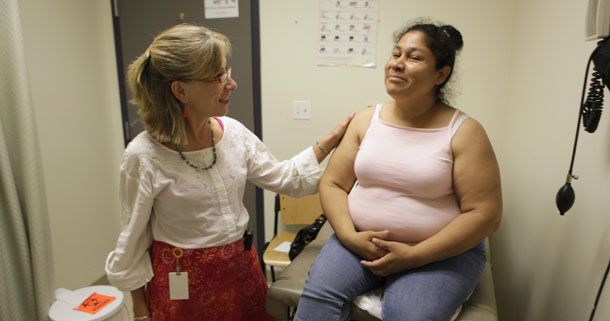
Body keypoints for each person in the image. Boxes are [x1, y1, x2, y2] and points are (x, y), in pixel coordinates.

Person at [104, 23, 353, 321]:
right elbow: (133, 240)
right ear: (180, 90)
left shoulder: (233, 133)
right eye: (218, 76)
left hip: (242, 273)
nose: (231, 84)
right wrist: (141, 312)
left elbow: (286, 179)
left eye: (227, 71)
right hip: (183, 287)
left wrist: (333, 148)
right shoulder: (143, 157)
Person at [294, 20, 502, 321]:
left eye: (414, 57)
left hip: (437, 255)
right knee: (316, 301)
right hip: (359, 242)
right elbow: (333, 184)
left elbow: (485, 214)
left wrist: (414, 255)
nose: (398, 64)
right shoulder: (365, 120)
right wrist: (350, 237)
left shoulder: (465, 132)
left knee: (410, 316)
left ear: (440, 75)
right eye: (396, 54)